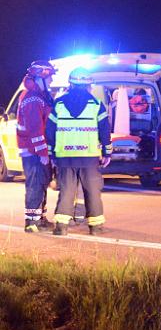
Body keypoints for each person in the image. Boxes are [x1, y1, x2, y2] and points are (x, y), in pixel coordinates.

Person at [46, 67, 112, 236]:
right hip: (89, 157)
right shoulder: (97, 105)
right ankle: (95, 227)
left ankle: (61, 226)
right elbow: (104, 131)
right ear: (89, 85)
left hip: (65, 157)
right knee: (92, 191)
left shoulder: (59, 104)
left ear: (70, 83)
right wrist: (107, 152)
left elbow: (50, 131)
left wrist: (51, 152)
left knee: (66, 190)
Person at [17, 60, 57, 232]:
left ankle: (39, 218)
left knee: (41, 183)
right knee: (35, 184)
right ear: (41, 77)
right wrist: (42, 152)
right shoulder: (33, 98)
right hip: (33, 152)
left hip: (38, 150)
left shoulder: (38, 96)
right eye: (49, 78)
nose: (51, 82)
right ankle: (31, 223)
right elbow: (35, 129)